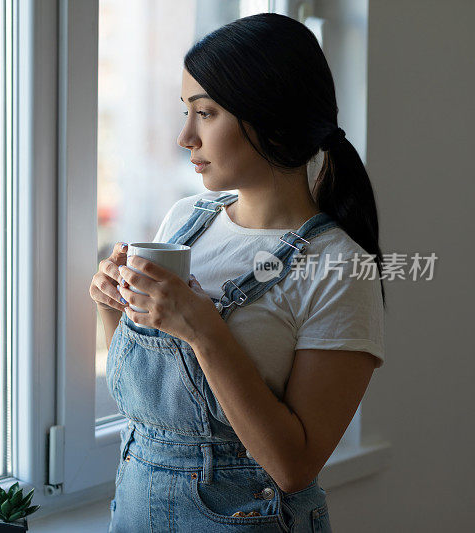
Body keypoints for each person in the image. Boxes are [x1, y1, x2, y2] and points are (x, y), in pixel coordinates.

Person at [90, 13, 384, 532]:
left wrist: (202, 328)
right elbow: (145, 402)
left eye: (205, 114)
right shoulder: (185, 222)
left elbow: (294, 467)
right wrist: (114, 306)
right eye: (186, 112)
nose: (185, 136)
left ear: (272, 119)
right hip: (135, 511)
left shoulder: (339, 266)